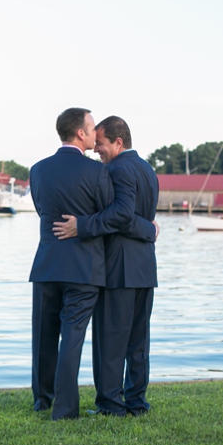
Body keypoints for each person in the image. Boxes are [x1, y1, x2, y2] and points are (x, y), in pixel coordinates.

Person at [52, 115, 160, 417]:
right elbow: (138, 216)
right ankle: (137, 402)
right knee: (138, 341)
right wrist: (150, 230)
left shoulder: (117, 168)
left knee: (111, 339)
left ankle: (111, 404)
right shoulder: (146, 168)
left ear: (118, 142)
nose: (96, 149)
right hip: (144, 268)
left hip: (119, 267)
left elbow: (122, 215)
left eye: (100, 144)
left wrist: (82, 226)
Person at [28, 107, 115, 420]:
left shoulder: (38, 170)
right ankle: (64, 410)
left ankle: (42, 400)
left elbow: (41, 210)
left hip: (47, 262)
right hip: (83, 266)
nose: (94, 134)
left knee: (44, 335)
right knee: (72, 337)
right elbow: (108, 215)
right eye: (92, 128)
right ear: (81, 133)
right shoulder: (97, 173)